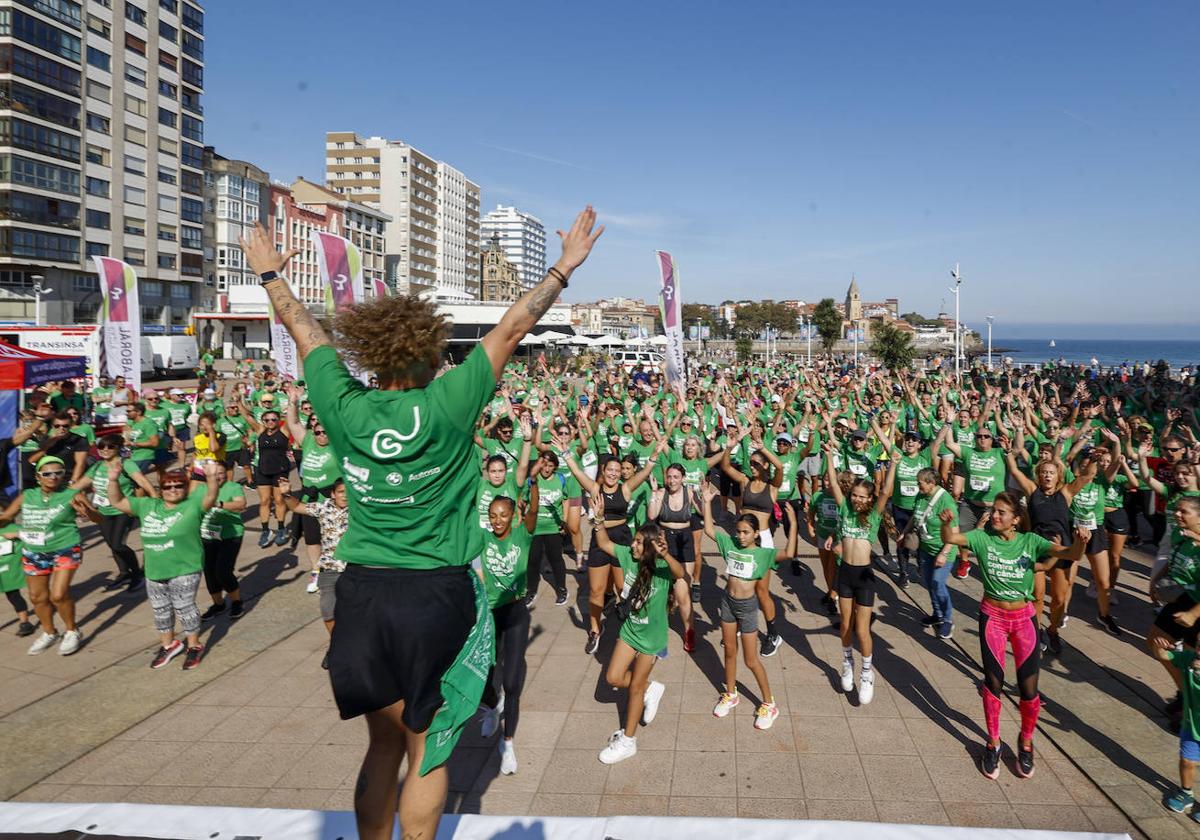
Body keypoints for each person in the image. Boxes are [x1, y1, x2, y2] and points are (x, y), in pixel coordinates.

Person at [239, 206, 602, 840]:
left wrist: (271, 275)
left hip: (363, 588)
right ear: (431, 351)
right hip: (437, 590)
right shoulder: (449, 400)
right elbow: (514, 327)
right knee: (428, 745)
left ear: (373, 354)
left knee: (382, 743)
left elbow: (307, 335)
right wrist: (563, 268)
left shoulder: (341, 402)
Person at [939, 491, 1087, 779]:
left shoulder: (1030, 542)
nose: (995, 515)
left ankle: (1026, 742)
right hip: (992, 617)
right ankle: (992, 742)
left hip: (1024, 620)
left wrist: (1080, 541)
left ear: (1016, 520)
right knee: (993, 683)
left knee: (1029, 689)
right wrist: (947, 523)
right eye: (994, 510)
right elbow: (952, 538)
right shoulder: (983, 538)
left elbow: (1070, 555)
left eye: (1001, 512)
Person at [590, 514, 684, 764]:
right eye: (634, 540)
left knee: (634, 689)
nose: (633, 545)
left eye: (639, 543)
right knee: (613, 677)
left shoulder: (662, 570)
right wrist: (598, 520)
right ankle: (652, 688)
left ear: (651, 548)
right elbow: (603, 544)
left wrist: (665, 555)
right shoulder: (627, 556)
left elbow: (681, 572)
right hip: (629, 632)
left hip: (652, 640)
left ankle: (628, 741)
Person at [107, 462, 221, 670]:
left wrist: (211, 477)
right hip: (155, 570)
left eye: (178, 486)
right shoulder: (147, 505)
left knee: (184, 607)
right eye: (167, 486)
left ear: (186, 488)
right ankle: (168, 645)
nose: (173, 490)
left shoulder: (192, 506)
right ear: (161, 489)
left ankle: (194, 645)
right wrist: (113, 480)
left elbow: (211, 497)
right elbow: (117, 501)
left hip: (185, 568)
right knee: (161, 610)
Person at [703, 483, 797, 729]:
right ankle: (731, 694)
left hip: (747, 607)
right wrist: (705, 501)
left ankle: (768, 703)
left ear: (756, 533)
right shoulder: (730, 544)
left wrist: (793, 523)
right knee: (729, 652)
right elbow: (709, 529)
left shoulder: (763, 554)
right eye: (739, 531)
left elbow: (789, 552)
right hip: (727, 604)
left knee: (751, 659)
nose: (741, 535)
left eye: (745, 532)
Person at [568, 440, 662, 654]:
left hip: (621, 539)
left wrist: (654, 455)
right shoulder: (594, 488)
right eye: (610, 469)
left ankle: (636, 631)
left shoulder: (626, 489)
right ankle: (594, 629)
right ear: (603, 470)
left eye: (617, 470)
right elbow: (576, 472)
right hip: (600, 539)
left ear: (621, 473)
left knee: (624, 589)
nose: (613, 473)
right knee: (596, 591)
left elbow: (646, 470)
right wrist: (566, 453)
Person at [822, 438, 897, 704]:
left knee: (862, 630)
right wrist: (829, 456)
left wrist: (894, 465)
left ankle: (867, 672)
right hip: (845, 575)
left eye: (862, 497)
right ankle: (847, 664)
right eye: (854, 495)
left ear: (868, 499)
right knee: (845, 624)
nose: (856, 499)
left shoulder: (874, 516)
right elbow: (832, 482)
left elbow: (886, 492)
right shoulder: (845, 509)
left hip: (864, 577)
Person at [475, 483, 538, 775]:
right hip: (489, 613)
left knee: (511, 682)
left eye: (503, 515)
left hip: (515, 611)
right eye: (492, 515)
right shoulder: (481, 538)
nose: (497, 520)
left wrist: (534, 484)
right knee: (484, 677)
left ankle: (508, 743)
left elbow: (534, 512)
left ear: (512, 516)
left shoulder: (522, 536)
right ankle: (490, 707)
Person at [0, 456, 85, 655]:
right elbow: (6, 517)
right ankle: (49, 632)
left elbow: (97, 518)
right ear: (38, 477)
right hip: (34, 550)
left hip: (65, 547)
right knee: (37, 597)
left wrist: (88, 512)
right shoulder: (27, 495)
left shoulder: (72, 494)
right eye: (47, 474)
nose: (53, 477)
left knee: (58, 595)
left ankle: (72, 631)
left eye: (58, 473)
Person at [282, 479, 349, 669]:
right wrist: (286, 494)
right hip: (329, 568)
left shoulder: (359, 512)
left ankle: (346, 647)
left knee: (355, 613)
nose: (345, 495)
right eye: (341, 492)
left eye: (348, 492)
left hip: (354, 569)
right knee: (328, 610)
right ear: (333, 494)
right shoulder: (323, 508)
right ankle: (337, 645)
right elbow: (296, 507)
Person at [77, 435, 157, 592]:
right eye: (102, 447)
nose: (105, 450)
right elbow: (80, 484)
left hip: (123, 510)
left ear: (119, 448)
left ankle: (137, 576)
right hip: (103, 511)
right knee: (112, 545)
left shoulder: (126, 464)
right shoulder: (97, 467)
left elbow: (142, 481)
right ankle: (124, 573)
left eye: (110, 447)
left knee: (118, 544)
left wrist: (154, 498)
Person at [284, 384, 343, 593]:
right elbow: (292, 422)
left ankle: (340, 571)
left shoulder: (338, 444)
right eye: (317, 431)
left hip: (331, 499)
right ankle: (317, 571)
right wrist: (293, 401)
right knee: (312, 538)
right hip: (309, 498)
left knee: (335, 537)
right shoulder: (308, 440)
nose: (320, 434)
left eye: (324, 431)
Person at [198, 462, 248, 622]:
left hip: (230, 535)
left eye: (221, 473)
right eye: (214, 473)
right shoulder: (200, 489)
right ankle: (218, 604)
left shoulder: (233, 487)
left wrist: (219, 504)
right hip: (207, 536)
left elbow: (241, 504)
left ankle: (236, 601)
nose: (218, 476)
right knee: (209, 572)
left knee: (223, 571)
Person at [239, 400, 292, 549]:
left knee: (279, 500)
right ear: (263, 421)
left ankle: (281, 529)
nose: (270, 422)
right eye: (267, 419)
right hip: (262, 470)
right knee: (264, 501)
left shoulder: (284, 431)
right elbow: (247, 417)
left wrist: (292, 403)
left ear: (278, 420)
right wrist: (238, 401)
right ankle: (265, 530)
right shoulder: (260, 430)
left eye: (274, 419)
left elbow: (291, 419)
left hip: (280, 471)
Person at [1, 526, 34, 637]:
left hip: (10, 572)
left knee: (13, 595)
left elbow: (38, 538)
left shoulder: (14, 528)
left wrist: (17, 534)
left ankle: (25, 623)